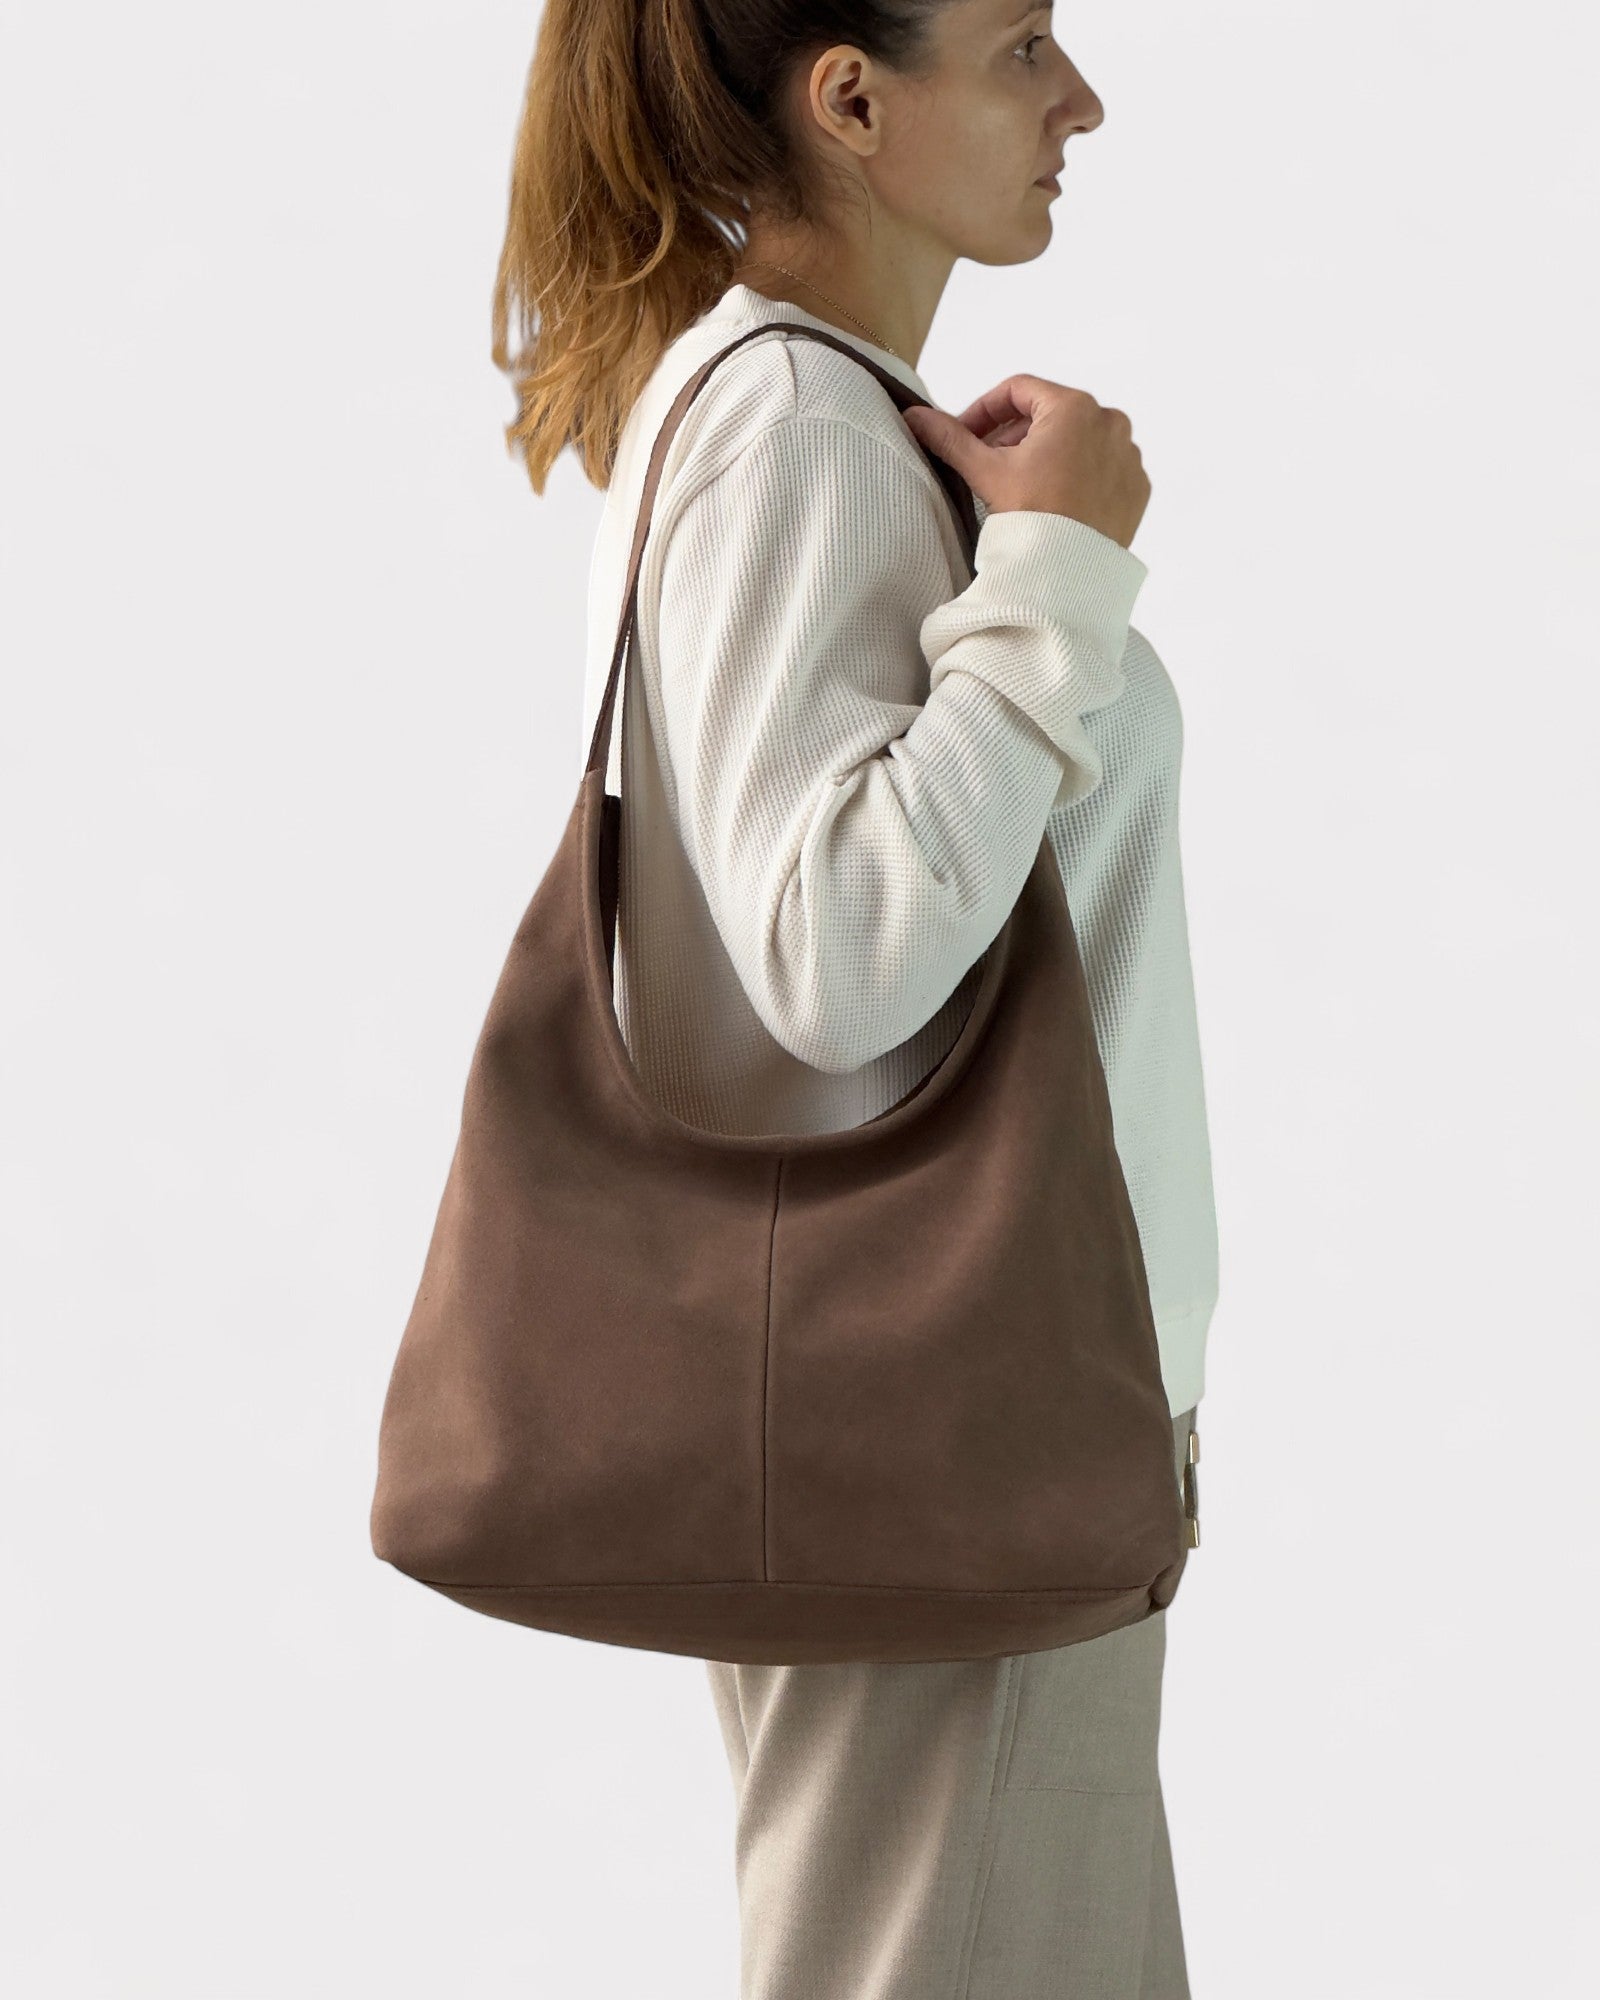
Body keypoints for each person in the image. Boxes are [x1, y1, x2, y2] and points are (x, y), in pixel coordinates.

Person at [492, 2, 1220, 1993]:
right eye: (1016, 47)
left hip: (988, 1406)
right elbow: (837, 950)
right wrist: (1059, 571)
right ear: (847, 98)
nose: (1078, 98)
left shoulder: (816, 414)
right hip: (957, 1413)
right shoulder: (788, 423)